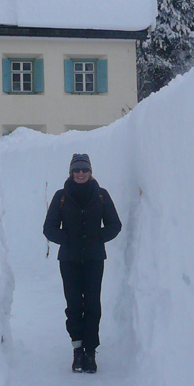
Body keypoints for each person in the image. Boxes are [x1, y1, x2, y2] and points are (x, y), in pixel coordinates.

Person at [43, 153, 122, 373]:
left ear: (90, 171)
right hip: (69, 260)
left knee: (93, 306)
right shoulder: (61, 196)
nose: (80, 174)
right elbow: (48, 228)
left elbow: (115, 224)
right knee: (75, 305)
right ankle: (77, 349)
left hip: (94, 260)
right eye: (76, 170)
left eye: (84, 170)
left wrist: (99, 237)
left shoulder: (101, 195)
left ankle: (90, 352)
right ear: (71, 172)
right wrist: (66, 239)